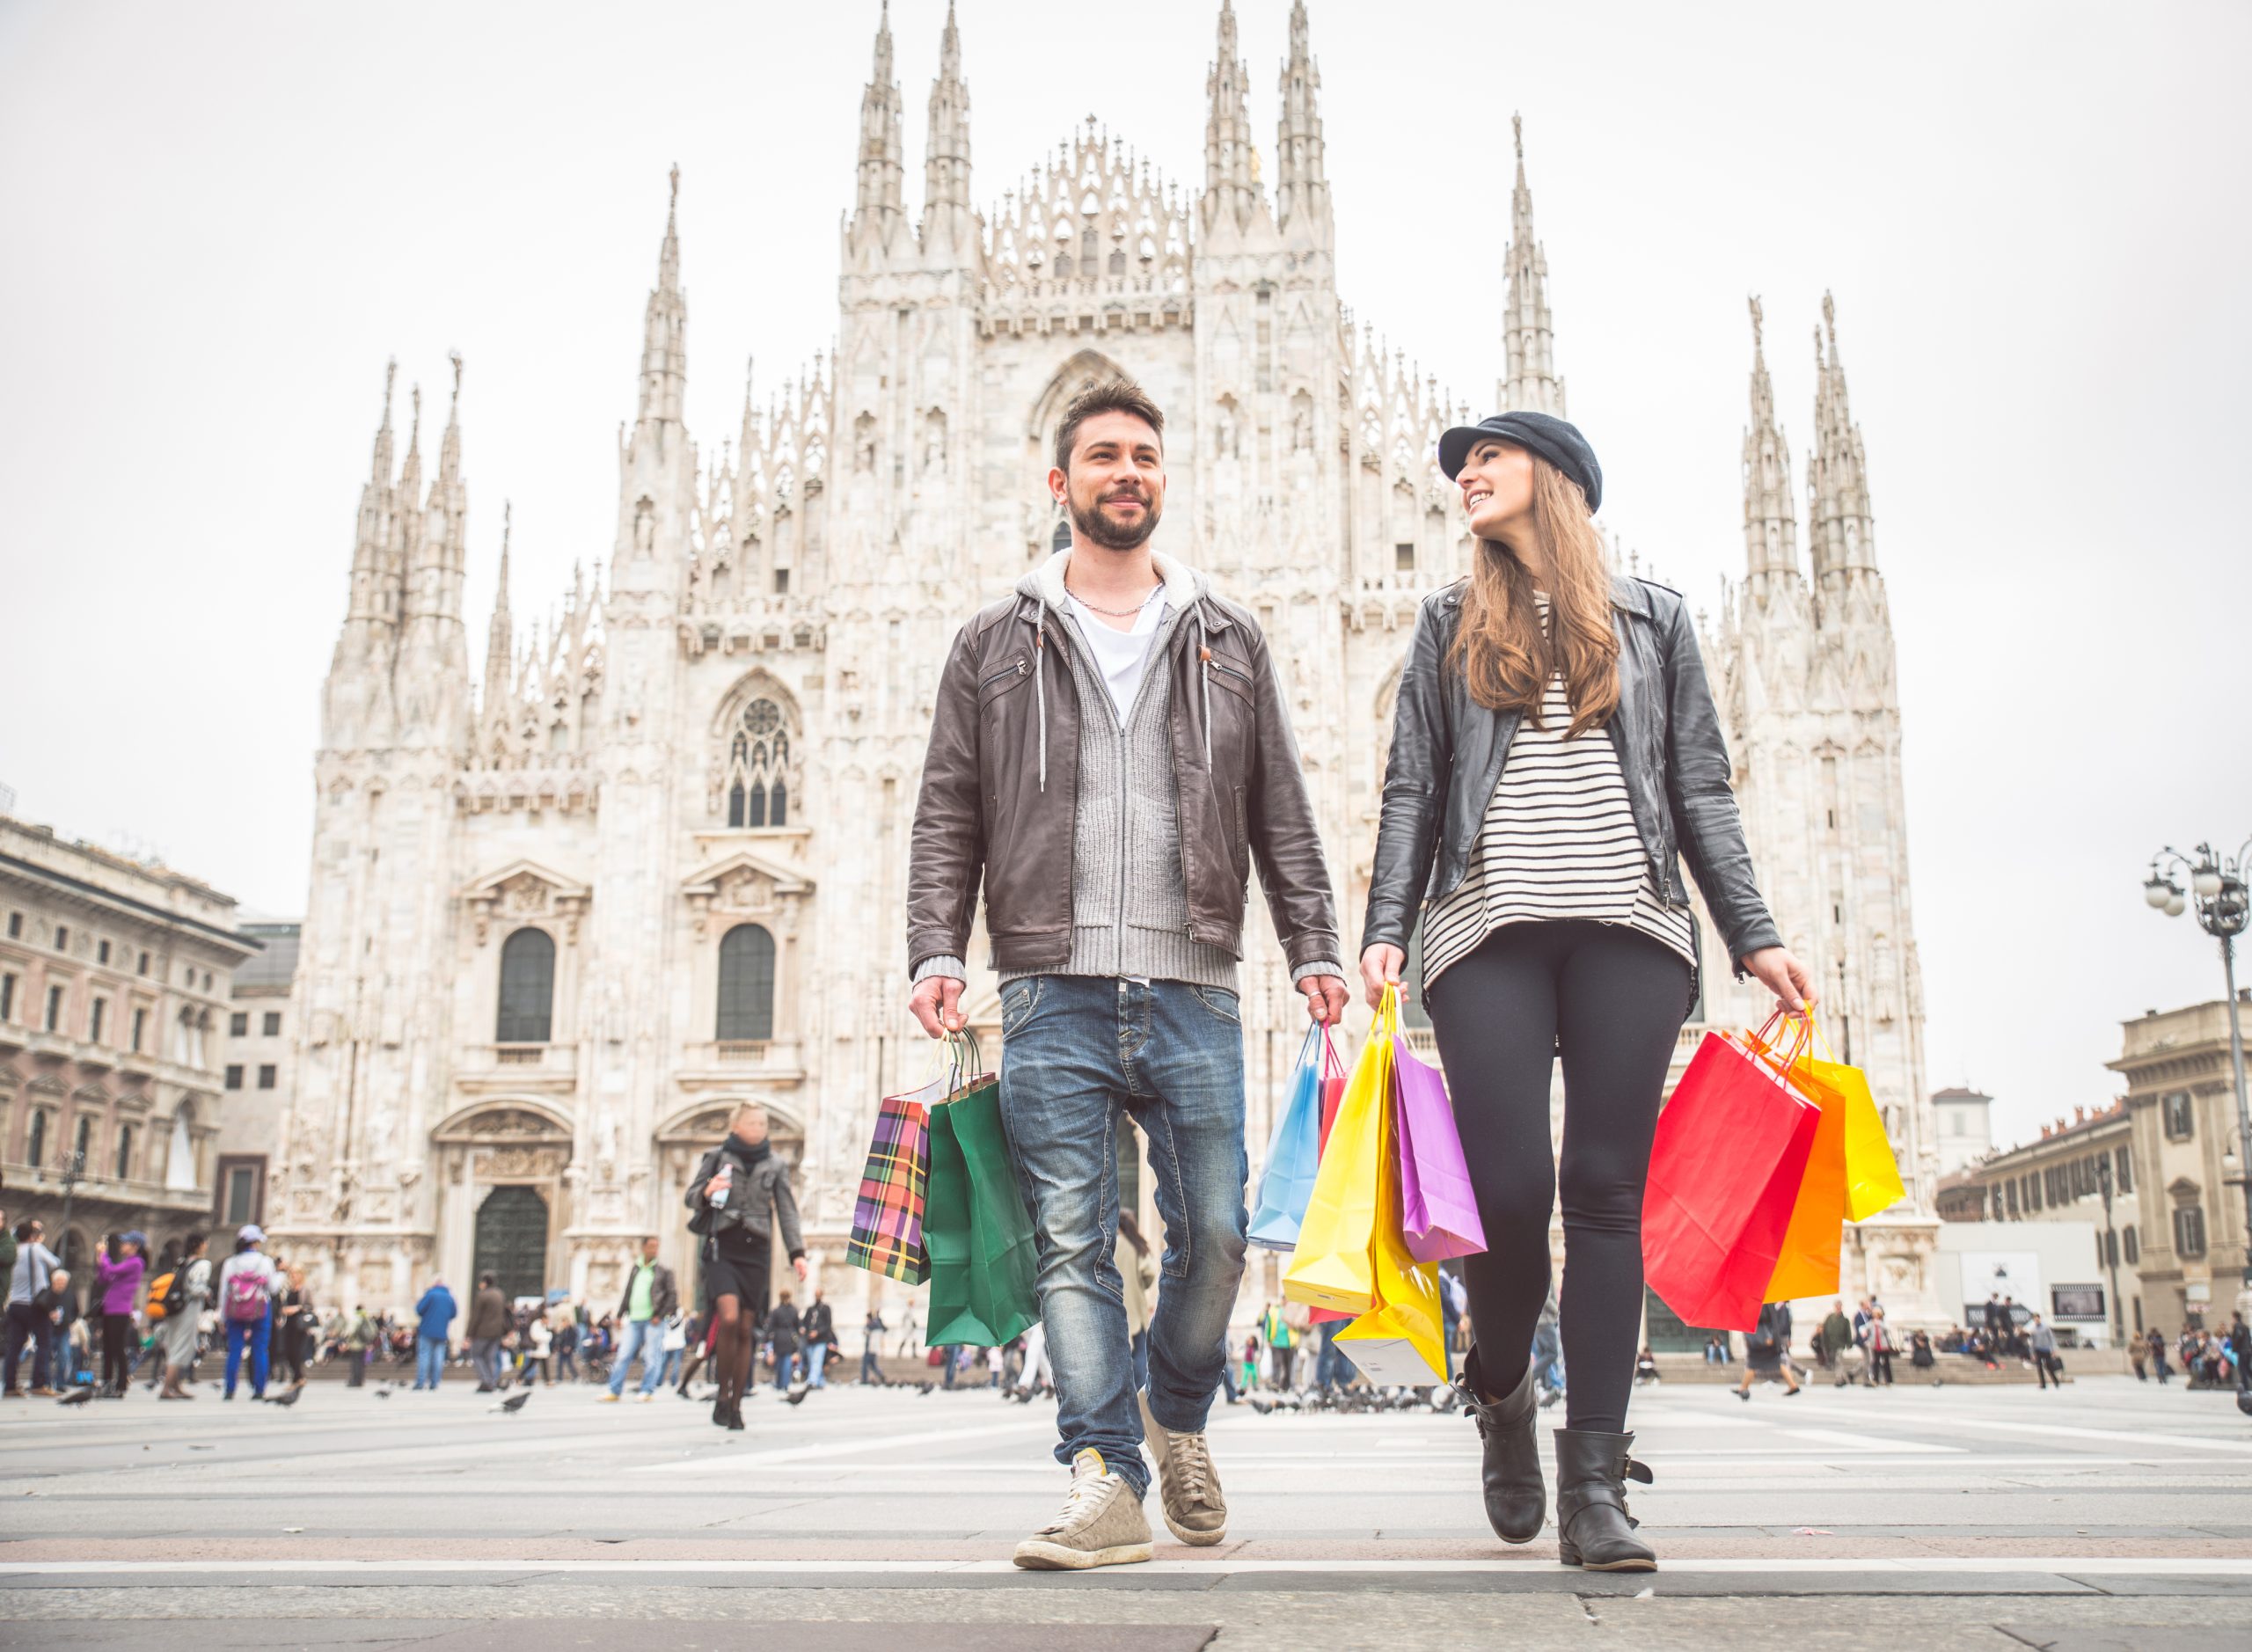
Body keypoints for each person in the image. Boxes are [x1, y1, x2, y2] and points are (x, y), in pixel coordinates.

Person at [906, 378, 1347, 1570]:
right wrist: (937, 945)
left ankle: (1180, 1410)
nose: (1126, 472)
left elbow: (1282, 811)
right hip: (1049, 984)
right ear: (1062, 483)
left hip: (1194, 980)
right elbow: (949, 806)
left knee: (1215, 1228)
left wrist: (1314, 942)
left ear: (1164, 476)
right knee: (1069, 1240)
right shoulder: (994, 640)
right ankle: (1103, 1472)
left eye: (1144, 455)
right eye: (1102, 455)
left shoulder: (1225, 633)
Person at [1362, 410, 1812, 1574]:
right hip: (1485, 930)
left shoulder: (1655, 617)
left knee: (1606, 1189)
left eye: (1490, 456)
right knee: (1507, 1192)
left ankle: (1598, 1481)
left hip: (1634, 927)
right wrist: (1381, 934)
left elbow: (1700, 784)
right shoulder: (1447, 622)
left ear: (1556, 480)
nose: (1466, 471)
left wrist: (1752, 934)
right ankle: (1502, 1387)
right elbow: (1414, 784)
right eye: (1463, 461)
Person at [685, 1101, 808, 1430]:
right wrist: (707, 1191)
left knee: (744, 1329)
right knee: (727, 1318)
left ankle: (735, 1404)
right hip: (722, 1246)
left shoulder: (776, 1164)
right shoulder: (715, 1157)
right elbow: (691, 1195)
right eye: (752, 1123)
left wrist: (797, 1252)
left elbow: (786, 1210)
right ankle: (723, 1393)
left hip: (756, 1251)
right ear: (736, 1126)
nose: (759, 1128)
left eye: (763, 1123)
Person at [602, 1235, 677, 1403]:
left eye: (657, 1246)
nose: (654, 1250)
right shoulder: (636, 1268)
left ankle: (646, 1390)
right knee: (623, 1355)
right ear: (643, 1248)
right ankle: (614, 1390)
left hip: (653, 1320)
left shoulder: (664, 1270)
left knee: (652, 1356)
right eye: (651, 1246)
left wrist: (659, 1315)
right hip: (634, 1319)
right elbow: (628, 1292)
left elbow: (672, 1295)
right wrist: (620, 1314)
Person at [216, 1225, 278, 1400]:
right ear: (256, 1242)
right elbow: (273, 1288)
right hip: (260, 1309)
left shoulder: (231, 1262)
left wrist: (222, 1316)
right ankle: (259, 1389)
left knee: (234, 1350)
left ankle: (229, 1389)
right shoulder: (265, 1262)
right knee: (260, 1349)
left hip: (235, 1310)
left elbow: (223, 1291)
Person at [6, 1219, 62, 1398]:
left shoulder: (12, 1251)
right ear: (32, 1236)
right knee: (44, 1343)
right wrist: (39, 1243)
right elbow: (55, 1262)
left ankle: (9, 1385)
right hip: (35, 1305)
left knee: (14, 1347)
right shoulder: (35, 1248)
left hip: (15, 1304)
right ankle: (39, 1383)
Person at [93, 1232, 146, 1398]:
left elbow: (111, 1269)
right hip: (110, 1309)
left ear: (135, 1246)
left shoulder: (136, 1263)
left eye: (125, 1243)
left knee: (117, 1348)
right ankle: (107, 1381)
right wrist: (100, 1261)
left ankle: (121, 1385)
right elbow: (104, 1278)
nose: (122, 1246)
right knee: (108, 1348)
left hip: (120, 1311)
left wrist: (104, 1256)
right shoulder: (127, 1263)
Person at [158, 1234, 211, 1400]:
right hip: (188, 1309)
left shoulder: (183, 1262)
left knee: (174, 1345)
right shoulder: (203, 1264)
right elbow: (196, 1288)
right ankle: (167, 1388)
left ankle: (175, 1385)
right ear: (201, 1245)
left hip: (174, 1309)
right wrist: (207, 1292)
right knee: (181, 1347)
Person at [1736, 1301, 1802, 1400]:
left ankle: (1743, 1387)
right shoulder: (1768, 1302)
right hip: (1766, 1339)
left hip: (1764, 1340)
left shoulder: (1764, 1302)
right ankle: (1792, 1384)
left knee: (1754, 1363)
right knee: (1773, 1362)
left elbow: (1764, 1318)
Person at [465, 1272, 510, 1392]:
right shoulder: (500, 1294)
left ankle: (486, 1381)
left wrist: (469, 1334)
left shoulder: (483, 1295)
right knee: (490, 1357)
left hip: (483, 1332)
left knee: (476, 1355)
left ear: (484, 1282)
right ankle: (492, 1381)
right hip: (497, 1332)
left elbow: (476, 1316)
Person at [413, 1276, 457, 1391]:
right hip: (442, 1331)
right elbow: (454, 1314)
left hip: (427, 1330)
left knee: (424, 1356)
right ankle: (434, 1382)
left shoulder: (430, 1294)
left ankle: (421, 1382)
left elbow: (419, 1309)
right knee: (439, 1357)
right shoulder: (449, 1297)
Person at [765, 1290, 802, 1391]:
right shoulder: (794, 1310)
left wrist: (766, 1339)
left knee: (780, 1360)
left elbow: (770, 1326)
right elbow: (798, 1326)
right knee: (787, 1360)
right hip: (789, 1336)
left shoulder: (776, 1310)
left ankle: (779, 1382)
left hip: (779, 1336)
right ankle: (785, 1383)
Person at [801, 1289, 834, 1391]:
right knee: (813, 1362)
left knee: (817, 1360)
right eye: (816, 1295)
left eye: (818, 1295)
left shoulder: (826, 1308)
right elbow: (805, 1321)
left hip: (821, 1340)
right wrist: (803, 1329)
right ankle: (820, 1381)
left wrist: (817, 1332)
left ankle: (812, 1382)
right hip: (810, 1340)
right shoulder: (810, 1309)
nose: (817, 1297)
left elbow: (828, 1324)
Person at [1821, 1300, 1858, 1387]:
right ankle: (1844, 1378)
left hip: (1840, 1344)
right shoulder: (1829, 1318)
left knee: (1838, 1360)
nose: (1838, 1308)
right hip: (1831, 1344)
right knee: (1836, 1362)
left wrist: (1849, 1343)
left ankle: (1838, 1379)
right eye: (1837, 1307)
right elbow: (1825, 1331)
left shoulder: (1845, 1320)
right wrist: (1824, 1343)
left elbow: (1848, 1332)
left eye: (1839, 1307)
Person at [1865, 1306, 1897, 1386]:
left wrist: (1878, 1323)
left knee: (1886, 1363)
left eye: (1876, 1314)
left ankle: (1889, 1380)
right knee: (1876, 1363)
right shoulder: (1871, 1322)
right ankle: (1876, 1380)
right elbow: (1865, 1328)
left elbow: (1888, 1329)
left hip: (1884, 1345)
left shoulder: (1883, 1322)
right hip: (1875, 1345)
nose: (1875, 1316)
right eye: (1874, 1314)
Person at [860, 1308, 888, 1386]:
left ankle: (864, 1379)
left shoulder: (870, 1325)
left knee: (865, 1364)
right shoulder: (878, 1323)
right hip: (875, 1348)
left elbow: (865, 1332)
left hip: (870, 1348)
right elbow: (885, 1329)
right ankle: (880, 1375)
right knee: (873, 1365)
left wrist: (867, 1324)